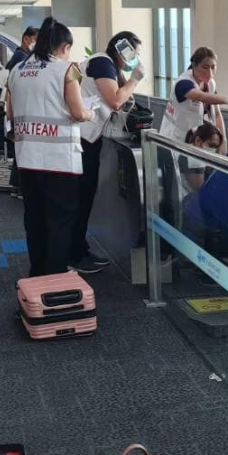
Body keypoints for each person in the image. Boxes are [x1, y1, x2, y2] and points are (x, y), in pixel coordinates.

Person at [6, 18, 90, 277]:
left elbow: (10, 112)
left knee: (35, 221)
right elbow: (76, 112)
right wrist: (90, 113)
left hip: (27, 160)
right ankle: (54, 279)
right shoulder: (67, 70)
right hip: (59, 161)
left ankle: (37, 274)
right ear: (63, 47)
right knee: (59, 223)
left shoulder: (17, 70)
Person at [72, 31, 145, 274]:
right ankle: (75, 253)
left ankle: (78, 248)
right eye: (132, 52)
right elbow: (115, 100)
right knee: (81, 196)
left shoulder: (106, 64)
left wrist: (128, 84)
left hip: (86, 137)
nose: (133, 58)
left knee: (84, 196)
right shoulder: (103, 62)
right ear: (122, 49)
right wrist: (135, 79)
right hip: (82, 139)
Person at [158, 46, 228, 145]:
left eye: (213, 67)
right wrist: (227, 100)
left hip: (194, 139)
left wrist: (223, 140)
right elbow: (201, 96)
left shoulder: (210, 84)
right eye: (205, 67)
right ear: (194, 66)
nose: (210, 73)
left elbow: (216, 113)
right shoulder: (183, 83)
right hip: (174, 137)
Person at [3, 26, 39, 195]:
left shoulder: (23, 56)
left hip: (18, 109)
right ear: (26, 39)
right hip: (21, 109)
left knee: (21, 149)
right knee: (23, 150)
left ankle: (18, 187)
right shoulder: (21, 58)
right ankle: (19, 187)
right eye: (36, 40)